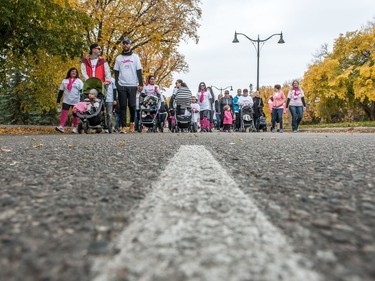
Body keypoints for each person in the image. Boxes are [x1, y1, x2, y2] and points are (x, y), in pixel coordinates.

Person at [114, 38, 143, 133]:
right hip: (121, 84)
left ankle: (132, 123)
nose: (125, 45)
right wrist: (117, 84)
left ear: (130, 45)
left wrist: (140, 84)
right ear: (123, 45)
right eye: (124, 44)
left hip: (132, 84)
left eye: (127, 44)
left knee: (132, 105)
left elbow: (139, 70)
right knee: (122, 106)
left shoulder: (135, 57)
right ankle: (123, 126)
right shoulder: (119, 58)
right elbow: (116, 71)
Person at [56, 67, 83, 134]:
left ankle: (75, 127)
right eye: (72, 71)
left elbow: (82, 91)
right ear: (69, 72)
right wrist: (58, 100)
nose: (74, 73)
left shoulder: (79, 81)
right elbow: (61, 91)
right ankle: (61, 126)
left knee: (75, 114)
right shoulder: (64, 81)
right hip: (66, 100)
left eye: (75, 72)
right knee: (64, 113)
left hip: (76, 100)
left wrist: (82, 100)